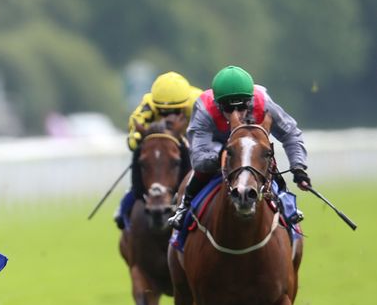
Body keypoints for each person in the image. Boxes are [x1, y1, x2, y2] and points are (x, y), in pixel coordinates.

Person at [167, 65, 310, 229]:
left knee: (266, 161)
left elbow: (290, 133)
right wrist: (224, 155)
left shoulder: (263, 103)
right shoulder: (204, 108)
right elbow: (199, 158)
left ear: (250, 101)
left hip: (252, 147)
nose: (237, 114)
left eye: (242, 107)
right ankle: (184, 205)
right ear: (218, 104)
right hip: (218, 147)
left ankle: (286, 203)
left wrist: (298, 167)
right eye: (228, 108)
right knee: (201, 172)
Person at [115, 71, 201, 229]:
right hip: (159, 140)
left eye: (176, 112)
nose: (169, 117)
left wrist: (183, 138)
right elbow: (133, 134)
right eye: (163, 112)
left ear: (184, 106)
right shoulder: (148, 103)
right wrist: (140, 138)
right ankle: (129, 200)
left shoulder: (198, 102)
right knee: (141, 154)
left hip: (191, 140)